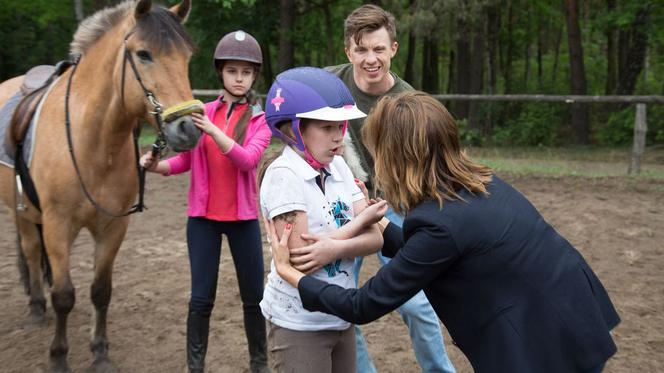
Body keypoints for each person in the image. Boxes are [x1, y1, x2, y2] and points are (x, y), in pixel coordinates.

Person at [266, 91, 621, 373]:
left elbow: (363, 304)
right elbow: (432, 250)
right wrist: (375, 221)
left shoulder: (440, 223)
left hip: (540, 343)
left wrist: (291, 274)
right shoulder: (479, 183)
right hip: (572, 312)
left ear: (399, 156)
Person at [325, 4, 455, 373]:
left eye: (379, 49)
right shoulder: (326, 85)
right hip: (342, 205)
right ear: (348, 50)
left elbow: (423, 168)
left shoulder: (407, 101)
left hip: (393, 204)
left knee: (414, 303)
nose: (371, 59)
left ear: (393, 49)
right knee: (339, 300)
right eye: (362, 49)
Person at [140, 30, 271, 373]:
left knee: (254, 299)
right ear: (221, 73)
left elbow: (248, 160)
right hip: (203, 221)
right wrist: (156, 167)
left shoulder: (260, 119)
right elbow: (186, 161)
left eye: (246, 72)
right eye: (232, 71)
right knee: (201, 299)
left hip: (242, 220)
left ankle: (259, 364)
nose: (239, 78)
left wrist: (214, 132)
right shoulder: (201, 112)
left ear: (254, 75)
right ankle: (194, 367)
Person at [259, 66, 389, 373]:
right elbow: (303, 258)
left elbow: (378, 238)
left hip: (341, 314)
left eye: (341, 127)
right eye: (326, 127)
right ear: (292, 128)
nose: (338, 138)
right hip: (298, 323)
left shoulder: (340, 167)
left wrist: (333, 247)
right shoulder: (283, 176)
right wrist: (359, 224)